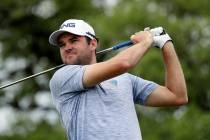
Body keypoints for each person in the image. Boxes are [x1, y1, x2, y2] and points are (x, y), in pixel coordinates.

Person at [48, 19, 188, 140]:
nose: (67, 47)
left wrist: (166, 43)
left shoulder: (124, 79)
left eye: (73, 40)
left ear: (93, 44)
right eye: (62, 44)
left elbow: (177, 96)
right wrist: (145, 42)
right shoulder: (62, 77)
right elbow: (123, 64)